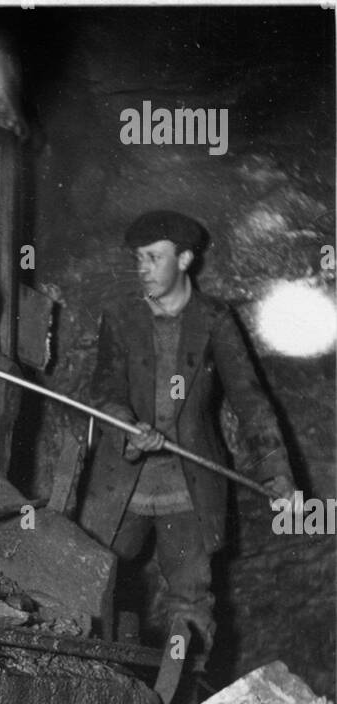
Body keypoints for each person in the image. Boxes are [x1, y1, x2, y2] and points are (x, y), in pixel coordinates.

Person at [78, 209, 296, 650]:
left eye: (153, 258)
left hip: (189, 486)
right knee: (89, 587)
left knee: (191, 601)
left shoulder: (215, 320)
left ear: (184, 259)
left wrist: (278, 477)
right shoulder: (121, 318)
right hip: (123, 481)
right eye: (139, 258)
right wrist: (127, 425)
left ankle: (188, 698)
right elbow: (105, 391)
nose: (143, 269)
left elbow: (250, 402)